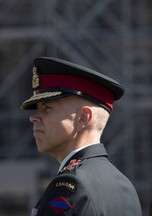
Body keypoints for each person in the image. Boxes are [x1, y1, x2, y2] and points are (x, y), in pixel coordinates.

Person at [21, 57, 142, 216]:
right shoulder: (125, 187)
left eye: (47, 108)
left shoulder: (70, 187)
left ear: (83, 118)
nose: (34, 117)